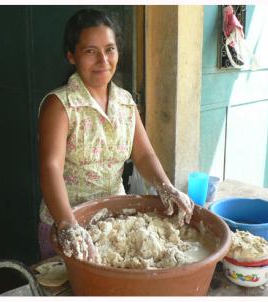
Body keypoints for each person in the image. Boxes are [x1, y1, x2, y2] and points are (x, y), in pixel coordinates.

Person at [38, 9, 194, 262]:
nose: (103, 60)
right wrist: (68, 224)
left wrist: (166, 187)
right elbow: (50, 167)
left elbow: (143, 154)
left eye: (109, 49)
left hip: (117, 224)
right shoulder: (60, 105)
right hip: (67, 226)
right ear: (71, 55)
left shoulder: (125, 102)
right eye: (90, 51)